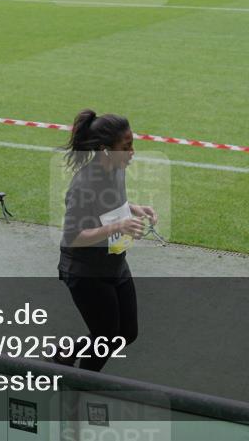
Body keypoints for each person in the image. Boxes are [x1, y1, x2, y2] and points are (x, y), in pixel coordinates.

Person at [56, 109, 157, 371]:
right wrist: (118, 224)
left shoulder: (117, 167)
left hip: (113, 262)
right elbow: (73, 237)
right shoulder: (84, 184)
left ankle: (67, 352)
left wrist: (134, 208)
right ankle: (81, 387)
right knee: (106, 338)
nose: (132, 151)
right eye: (126, 146)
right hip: (85, 272)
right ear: (105, 150)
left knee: (127, 334)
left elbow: (112, 202)